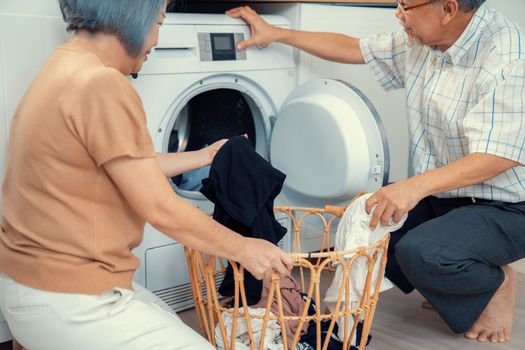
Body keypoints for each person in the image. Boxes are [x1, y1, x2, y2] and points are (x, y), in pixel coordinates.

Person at [227, 0, 525, 344]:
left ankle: (496, 284)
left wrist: (411, 189)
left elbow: (497, 156)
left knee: (423, 253)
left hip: (507, 206)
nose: (398, 13)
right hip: (446, 195)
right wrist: (277, 33)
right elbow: (354, 48)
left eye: (406, 6)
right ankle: (455, 277)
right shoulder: (425, 38)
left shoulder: (507, 57)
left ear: (448, 8)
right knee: (368, 226)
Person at [0, 0, 293, 349]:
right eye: (157, 21)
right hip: (72, 299)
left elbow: (123, 165)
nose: (156, 38)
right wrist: (243, 247)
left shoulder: (62, 67)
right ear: (131, 17)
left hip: (27, 285)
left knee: (167, 322)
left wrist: (204, 155)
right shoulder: (103, 84)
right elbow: (159, 206)